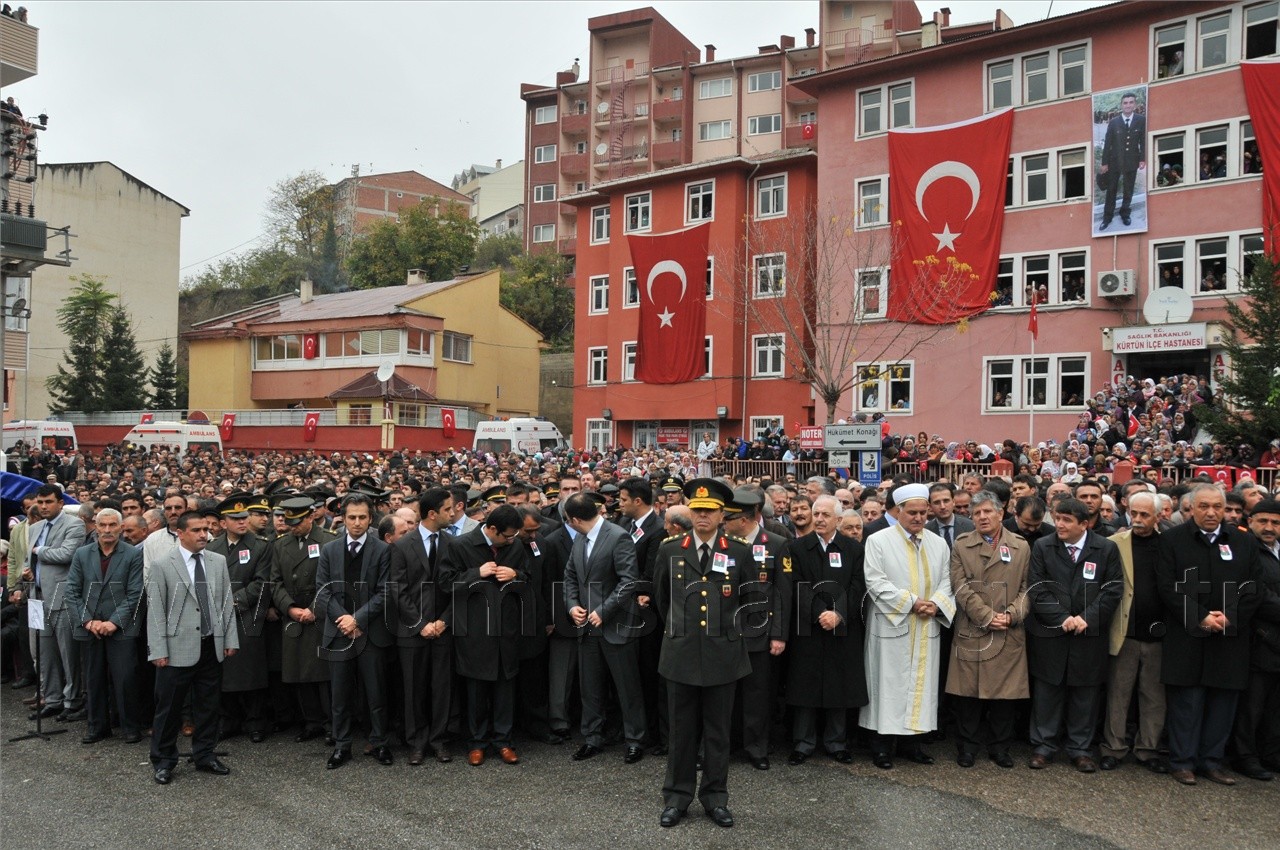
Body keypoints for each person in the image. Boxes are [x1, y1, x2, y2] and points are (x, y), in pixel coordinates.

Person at [1157, 484, 1279, 786]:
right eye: (1204, 506)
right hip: (1188, 635)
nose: (1211, 512)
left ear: (1225, 510)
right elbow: (1167, 586)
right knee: (1187, 703)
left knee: (1222, 704)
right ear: (1192, 508)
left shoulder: (1242, 542)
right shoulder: (1172, 540)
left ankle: (1211, 761)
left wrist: (1230, 616)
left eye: (1217, 507)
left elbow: (1254, 587)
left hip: (1230, 637)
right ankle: (1182, 761)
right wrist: (1200, 616)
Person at [652, 478, 753, 829]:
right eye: (697, 510)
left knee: (717, 732)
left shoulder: (738, 550)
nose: (702, 516)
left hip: (723, 654)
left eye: (710, 511)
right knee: (680, 733)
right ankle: (677, 798)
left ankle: (715, 798)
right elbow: (663, 601)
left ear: (723, 514)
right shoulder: (670, 549)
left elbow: (751, 600)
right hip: (680, 653)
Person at [861, 483, 955, 768]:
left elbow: (948, 580)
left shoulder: (938, 543)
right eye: (912, 512)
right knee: (887, 685)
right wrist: (912, 602)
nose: (918, 518)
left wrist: (936, 603)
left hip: (926, 625)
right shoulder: (879, 541)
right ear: (898, 511)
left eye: (922, 513)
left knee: (920, 687)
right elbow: (875, 581)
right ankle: (881, 747)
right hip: (891, 625)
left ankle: (911, 745)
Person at [1026, 498, 1123, 772]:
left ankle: (1080, 748)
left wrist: (1087, 619)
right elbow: (1037, 587)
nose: (1059, 524)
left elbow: (1113, 589)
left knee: (1085, 695)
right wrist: (1061, 618)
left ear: (1084, 523)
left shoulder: (1105, 548)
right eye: (1057, 518)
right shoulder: (1044, 547)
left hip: (1088, 634)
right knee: (1047, 691)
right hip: (1051, 634)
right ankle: (1043, 745)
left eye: (1067, 520)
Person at [147, 511, 239, 785]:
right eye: (197, 530)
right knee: (169, 708)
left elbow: (225, 601)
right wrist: (158, 649)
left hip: (211, 645)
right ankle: (163, 760)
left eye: (206, 529)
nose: (204, 534)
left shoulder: (217, 561)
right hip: (176, 649)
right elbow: (155, 610)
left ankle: (205, 754)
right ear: (181, 533)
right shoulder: (163, 564)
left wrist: (230, 639)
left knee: (208, 705)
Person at [779, 494, 867, 766]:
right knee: (805, 685)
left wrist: (839, 613)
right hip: (808, 628)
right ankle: (803, 743)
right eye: (816, 513)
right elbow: (795, 585)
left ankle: (835, 742)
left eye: (825, 515)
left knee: (838, 685)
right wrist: (819, 613)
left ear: (839, 520)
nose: (818, 519)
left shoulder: (853, 549)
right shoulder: (797, 548)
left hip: (842, 628)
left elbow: (858, 586)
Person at [945, 490, 1029, 768]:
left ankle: (1000, 748)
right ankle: (967, 748)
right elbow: (959, 586)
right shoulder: (961, 545)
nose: (981, 517)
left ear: (1000, 513)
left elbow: (1028, 588)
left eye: (987, 512)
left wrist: (1012, 614)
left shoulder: (1021, 546)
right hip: (973, 628)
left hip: (1008, 631)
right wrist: (986, 615)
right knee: (968, 695)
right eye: (976, 513)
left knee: (1004, 697)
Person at [563, 492, 647, 763]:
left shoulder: (617, 536)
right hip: (586, 626)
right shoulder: (579, 538)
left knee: (627, 686)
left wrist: (604, 611)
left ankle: (634, 739)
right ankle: (592, 737)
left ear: (575, 519)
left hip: (616, 626)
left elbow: (628, 581)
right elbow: (570, 576)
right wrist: (572, 605)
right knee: (590, 687)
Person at [448, 503, 530, 767]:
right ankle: (477, 742)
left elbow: (529, 578)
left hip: (506, 627)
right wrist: (475, 573)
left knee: (506, 687)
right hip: (474, 628)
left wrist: (516, 574)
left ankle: (504, 741)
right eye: (506, 536)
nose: (511, 540)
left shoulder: (514, 546)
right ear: (491, 529)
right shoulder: (461, 545)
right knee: (476, 690)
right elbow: (444, 583)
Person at [315, 493, 393, 769]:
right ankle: (342, 745)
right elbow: (323, 592)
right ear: (343, 518)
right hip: (338, 633)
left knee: (375, 692)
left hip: (370, 632)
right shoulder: (329, 549)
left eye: (362, 517)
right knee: (340, 693)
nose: (357, 523)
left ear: (371, 519)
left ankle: (380, 743)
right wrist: (345, 621)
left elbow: (385, 593)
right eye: (352, 517)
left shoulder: (382, 550)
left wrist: (357, 620)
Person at [389, 487, 460, 765]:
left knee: (442, 688)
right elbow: (397, 589)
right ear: (432, 514)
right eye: (447, 509)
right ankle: (416, 742)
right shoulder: (403, 546)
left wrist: (443, 620)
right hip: (412, 631)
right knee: (413, 688)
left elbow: (458, 588)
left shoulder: (453, 545)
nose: (452, 513)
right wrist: (420, 624)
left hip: (443, 628)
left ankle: (439, 740)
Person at [63, 508, 144, 745]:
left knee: (126, 679)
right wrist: (88, 620)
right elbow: (71, 591)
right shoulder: (82, 554)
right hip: (90, 627)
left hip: (120, 627)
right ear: (95, 527)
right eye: (103, 525)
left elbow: (135, 592)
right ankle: (97, 727)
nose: (107, 530)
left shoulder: (132, 554)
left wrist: (113, 622)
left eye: (112, 525)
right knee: (93, 679)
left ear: (120, 527)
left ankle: (130, 727)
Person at [1100, 492, 1168, 773]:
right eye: (1134, 514)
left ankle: (1148, 749)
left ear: (1159, 516)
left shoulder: (1170, 544)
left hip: (1159, 635)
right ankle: (1113, 748)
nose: (1137, 520)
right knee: (1118, 694)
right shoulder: (1114, 543)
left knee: (1154, 697)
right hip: (1124, 631)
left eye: (1144, 515)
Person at [722, 487, 787, 771]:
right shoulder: (721, 544)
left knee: (757, 694)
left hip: (760, 632)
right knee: (724, 696)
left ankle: (756, 747)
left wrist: (778, 634)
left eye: (729, 518)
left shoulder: (774, 543)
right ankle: (723, 746)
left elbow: (781, 593)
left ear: (746, 519)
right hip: (725, 633)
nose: (723, 522)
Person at [205, 492, 273, 743]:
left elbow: (262, 582)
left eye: (245, 517)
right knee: (223, 670)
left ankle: (255, 722)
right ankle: (228, 720)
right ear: (223, 523)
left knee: (251, 670)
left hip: (247, 614)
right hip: (219, 616)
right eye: (236, 518)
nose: (242, 522)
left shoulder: (260, 546)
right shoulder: (212, 547)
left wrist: (235, 601)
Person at [270, 495, 337, 742]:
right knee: (299, 672)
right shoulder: (280, 545)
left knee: (323, 675)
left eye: (298, 521)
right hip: (294, 615)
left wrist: (314, 608)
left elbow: (332, 580)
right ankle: (311, 722)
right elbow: (274, 582)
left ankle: (332, 723)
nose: (292, 526)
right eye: (290, 522)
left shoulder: (329, 541)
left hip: (319, 614)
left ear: (310, 517)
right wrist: (289, 608)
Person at [25, 484, 88, 721]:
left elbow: (66, 555)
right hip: (37, 595)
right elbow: (28, 558)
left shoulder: (74, 525)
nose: (43, 507)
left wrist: (40, 550)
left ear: (60, 503)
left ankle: (72, 700)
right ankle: (51, 698)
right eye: (39, 503)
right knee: (44, 653)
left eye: (48, 502)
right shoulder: (36, 526)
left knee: (68, 653)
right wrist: (27, 570)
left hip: (61, 597)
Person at [1232, 499, 1280, 780]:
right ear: (1251, 521)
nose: (1269, 527)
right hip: (1258, 640)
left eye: (1275, 522)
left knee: (1275, 706)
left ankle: (1270, 753)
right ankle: (1244, 757)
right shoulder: (1245, 550)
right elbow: (1257, 594)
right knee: (1252, 705)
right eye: (1263, 521)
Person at [1099, 92, 1145, 230]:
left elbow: (1143, 141)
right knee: (1111, 189)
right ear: (1121, 105)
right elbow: (1107, 144)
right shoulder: (1114, 122)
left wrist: (1142, 159)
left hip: (1132, 161)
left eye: (1131, 102)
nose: (1128, 105)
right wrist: (1104, 163)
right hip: (1114, 162)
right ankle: (1107, 218)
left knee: (1128, 189)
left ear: (1135, 104)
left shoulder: (1141, 120)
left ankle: (1125, 214)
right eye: (1125, 103)